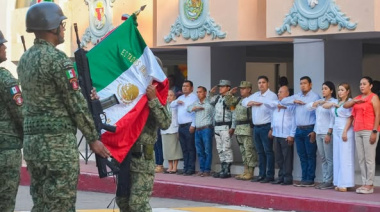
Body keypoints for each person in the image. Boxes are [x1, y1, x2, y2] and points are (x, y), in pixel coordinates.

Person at [17, 3, 110, 211]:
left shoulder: (24, 59)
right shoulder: (58, 59)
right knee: (61, 204)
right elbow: (75, 102)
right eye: (61, 24)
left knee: (41, 203)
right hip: (56, 146)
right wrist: (93, 138)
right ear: (51, 27)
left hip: (33, 145)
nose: (63, 29)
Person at [281, 76, 320, 187]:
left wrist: (315, 131)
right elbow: (283, 101)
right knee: (302, 156)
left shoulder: (315, 96)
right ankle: (304, 178)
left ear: (310, 84)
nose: (302, 85)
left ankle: (310, 179)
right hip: (298, 130)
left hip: (309, 129)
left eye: (305, 83)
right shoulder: (297, 96)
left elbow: (318, 115)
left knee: (310, 155)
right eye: (301, 83)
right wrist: (294, 101)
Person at [344, 76, 380, 194]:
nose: (362, 86)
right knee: (361, 158)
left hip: (370, 130)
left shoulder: (373, 97)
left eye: (364, 84)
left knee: (369, 158)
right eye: (360, 84)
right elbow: (345, 105)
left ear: (371, 86)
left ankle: (370, 184)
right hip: (358, 130)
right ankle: (364, 183)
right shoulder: (357, 98)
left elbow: (378, 115)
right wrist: (354, 101)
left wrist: (374, 131)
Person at [0, 30, 23, 212]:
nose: (5, 47)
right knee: (5, 203)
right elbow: (21, 113)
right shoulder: (5, 79)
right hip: (6, 150)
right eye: (2, 44)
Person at [242, 76, 277, 183]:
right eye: (259, 83)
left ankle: (269, 175)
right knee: (260, 152)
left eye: (263, 82)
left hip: (266, 126)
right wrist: (252, 103)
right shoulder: (255, 95)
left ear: (268, 84)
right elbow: (244, 102)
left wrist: (272, 128)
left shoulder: (272, 96)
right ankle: (261, 174)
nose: (261, 84)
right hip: (256, 127)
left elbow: (274, 113)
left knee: (268, 151)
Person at [323, 83, 355, 192]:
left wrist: (345, 131)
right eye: (339, 90)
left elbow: (351, 118)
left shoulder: (349, 102)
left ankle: (346, 182)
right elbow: (325, 106)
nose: (340, 92)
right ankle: (338, 181)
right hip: (336, 129)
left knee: (345, 156)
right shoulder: (336, 102)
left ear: (347, 91)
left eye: (342, 90)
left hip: (345, 129)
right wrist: (333, 104)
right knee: (337, 155)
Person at [307, 81, 337, 190]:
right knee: (323, 158)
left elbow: (332, 119)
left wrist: (329, 133)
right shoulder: (320, 101)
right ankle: (325, 179)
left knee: (329, 158)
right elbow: (308, 107)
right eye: (322, 88)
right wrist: (316, 103)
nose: (323, 90)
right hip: (318, 132)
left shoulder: (333, 102)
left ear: (331, 90)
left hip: (327, 133)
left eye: (326, 88)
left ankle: (329, 181)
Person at [225, 81, 258, 181]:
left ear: (249, 89)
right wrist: (230, 93)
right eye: (241, 88)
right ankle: (245, 171)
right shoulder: (239, 100)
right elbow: (228, 102)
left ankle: (250, 172)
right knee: (243, 151)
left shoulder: (252, 99)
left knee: (249, 151)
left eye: (244, 88)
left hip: (247, 127)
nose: (241, 90)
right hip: (239, 128)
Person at [267, 85, 295, 185]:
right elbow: (268, 105)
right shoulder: (276, 104)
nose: (278, 94)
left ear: (287, 93)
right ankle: (280, 177)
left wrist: (291, 135)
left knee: (287, 157)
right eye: (278, 92)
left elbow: (294, 121)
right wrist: (271, 128)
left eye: (281, 92)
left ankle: (287, 178)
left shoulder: (291, 105)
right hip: (276, 134)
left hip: (286, 135)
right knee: (279, 157)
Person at [209, 80, 236, 178]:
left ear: (228, 87)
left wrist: (233, 127)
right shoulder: (217, 98)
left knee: (226, 148)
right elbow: (210, 101)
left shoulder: (231, 99)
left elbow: (234, 113)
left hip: (225, 126)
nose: (220, 88)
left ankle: (227, 170)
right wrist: (211, 93)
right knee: (219, 148)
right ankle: (223, 168)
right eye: (220, 86)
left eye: (223, 86)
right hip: (217, 126)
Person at [170, 80, 198, 175]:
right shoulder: (180, 97)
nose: (184, 88)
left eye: (186, 86)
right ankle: (185, 168)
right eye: (183, 86)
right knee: (184, 149)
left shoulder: (194, 98)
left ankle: (191, 168)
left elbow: (195, 113)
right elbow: (171, 105)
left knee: (190, 148)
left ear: (191, 88)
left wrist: (193, 125)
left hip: (189, 125)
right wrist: (177, 101)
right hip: (181, 126)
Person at [188, 86, 214, 177]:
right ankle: (202, 169)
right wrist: (194, 108)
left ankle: (207, 170)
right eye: (197, 92)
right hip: (198, 130)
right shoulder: (196, 103)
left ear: (205, 93)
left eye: (200, 92)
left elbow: (213, 116)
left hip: (206, 129)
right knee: (199, 151)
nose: (198, 94)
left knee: (207, 150)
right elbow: (188, 108)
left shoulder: (209, 103)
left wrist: (212, 128)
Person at [161, 90, 183, 174]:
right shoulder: (163, 105)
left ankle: (175, 167)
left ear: (174, 97)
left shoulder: (175, 105)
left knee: (175, 149)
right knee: (167, 149)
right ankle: (170, 166)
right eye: (167, 95)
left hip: (173, 129)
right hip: (164, 130)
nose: (169, 97)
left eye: (171, 95)